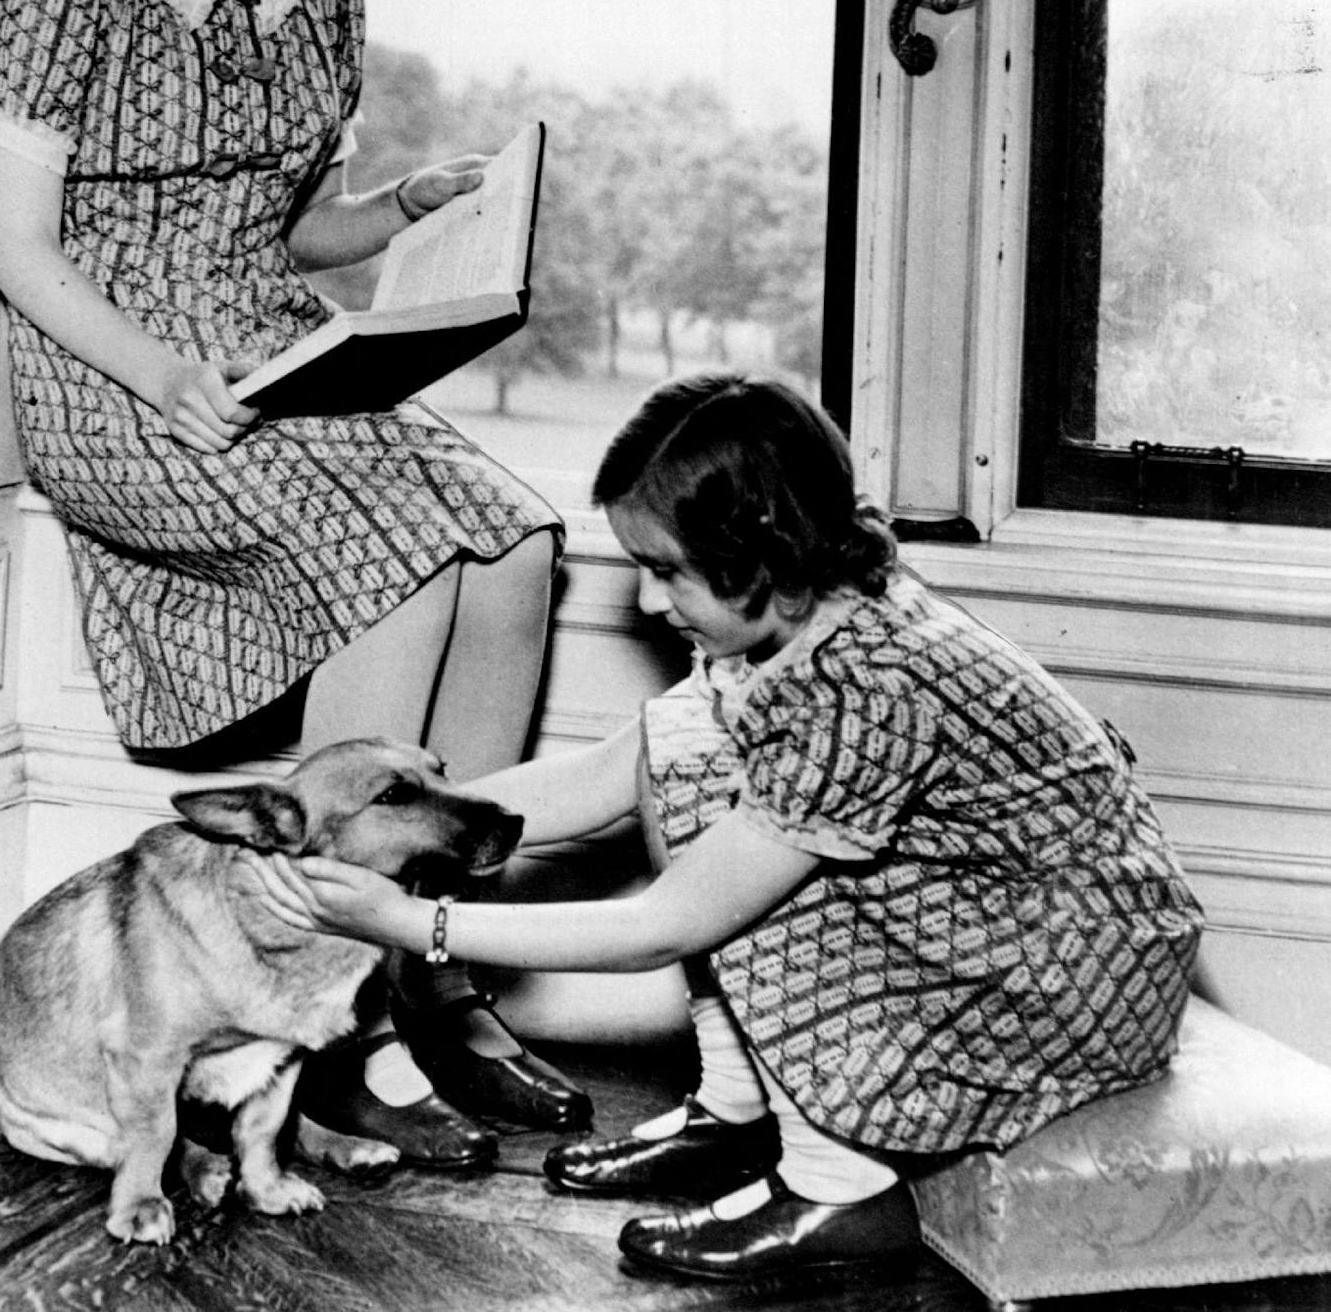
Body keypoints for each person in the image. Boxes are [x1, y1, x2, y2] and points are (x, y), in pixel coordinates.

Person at [0, 0, 589, 1167]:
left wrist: (401, 209)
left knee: (511, 541)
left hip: (271, 344)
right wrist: (159, 369)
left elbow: (292, 228)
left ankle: (423, 966)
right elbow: (21, 250)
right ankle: (337, 1022)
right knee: (385, 549)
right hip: (112, 368)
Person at [252, 372, 1204, 1283]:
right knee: (683, 748)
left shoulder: (864, 689)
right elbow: (603, 778)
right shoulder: (804, 616)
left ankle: (842, 1193)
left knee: (747, 877)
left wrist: (416, 925)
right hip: (1003, 916)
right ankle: (740, 1112)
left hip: (1069, 973)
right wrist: (378, 823)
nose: (647, 602)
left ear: (766, 554)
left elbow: (665, 924)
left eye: (667, 570)